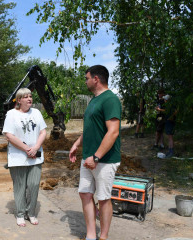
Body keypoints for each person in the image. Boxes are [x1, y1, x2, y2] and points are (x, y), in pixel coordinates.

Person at [69, 65, 121, 240]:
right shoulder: (93, 101)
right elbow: (90, 129)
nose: (85, 81)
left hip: (104, 160)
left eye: (87, 78)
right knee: (85, 194)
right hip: (88, 158)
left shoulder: (110, 100)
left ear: (96, 79)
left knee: (104, 198)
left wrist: (97, 157)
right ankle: (91, 235)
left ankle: (103, 236)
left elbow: (113, 132)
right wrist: (76, 144)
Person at [2, 88, 47, 227]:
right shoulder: (11, 114)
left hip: (35, 157)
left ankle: (31, 212)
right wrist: (27, 149)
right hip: (18, 157)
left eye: (30, 96)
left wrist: (35, 148)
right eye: (25, 97)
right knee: (20, 186)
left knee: (33, 185)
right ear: (19, 100)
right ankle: (20, 214)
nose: (29, 99)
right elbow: (9, 135)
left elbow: (43, 131)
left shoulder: (37, 113)